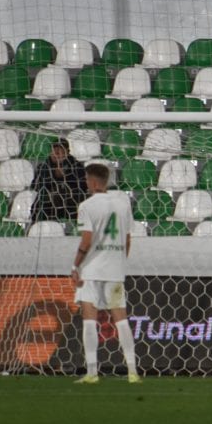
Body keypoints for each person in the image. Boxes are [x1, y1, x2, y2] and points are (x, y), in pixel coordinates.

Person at [71, 163, 140, 384]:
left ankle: (92, 373)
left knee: (89, 319)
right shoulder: (123, 204)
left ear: (91, 181)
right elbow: (128, 238)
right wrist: (119, 261)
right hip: (115, 269)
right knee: (121, 318)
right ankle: (132, 371)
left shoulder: (87, 206)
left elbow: (87, 240)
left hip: (91, 269)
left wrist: (75, 266)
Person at [31, 138, 88, 223]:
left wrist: (64, 177)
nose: (57, 153)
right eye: (54, 150)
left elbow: (83, 186)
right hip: (49, 206)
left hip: (70, 203)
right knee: (40, 203)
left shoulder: (77, 166)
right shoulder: (43, 167)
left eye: (60, 150)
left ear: (67, 152)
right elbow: (35, 186)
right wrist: (55, 176)